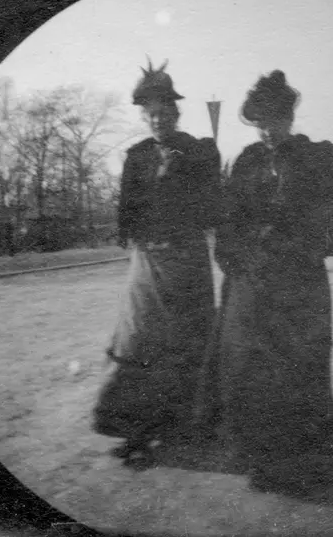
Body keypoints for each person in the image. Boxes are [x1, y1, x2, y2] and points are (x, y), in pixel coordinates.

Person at [202, 70, 333, 496]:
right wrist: (237, 254)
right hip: (253, 279)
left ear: (290, 117)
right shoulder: (246, 160)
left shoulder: (317, 156)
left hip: (298, 280)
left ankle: (307, 460)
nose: (268, 130)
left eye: (275, 120)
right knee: (252, 367)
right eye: (261, 122)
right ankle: (263, 458)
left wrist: (288, 244)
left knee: (299, 365)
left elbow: (328, 218)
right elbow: (229, 219)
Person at [92, 58, 222, 467]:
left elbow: (211, 209)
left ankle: (189, 424)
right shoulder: (137, 156)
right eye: (150, 115)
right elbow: (128, 212)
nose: (158, 120)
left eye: (164, 113)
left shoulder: (197, 150)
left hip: (188, 260)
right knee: (138, 339)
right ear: (143, 117)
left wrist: (200, 168)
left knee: (187, 340)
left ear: (176, 113)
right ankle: (135, 428)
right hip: (148, 261)